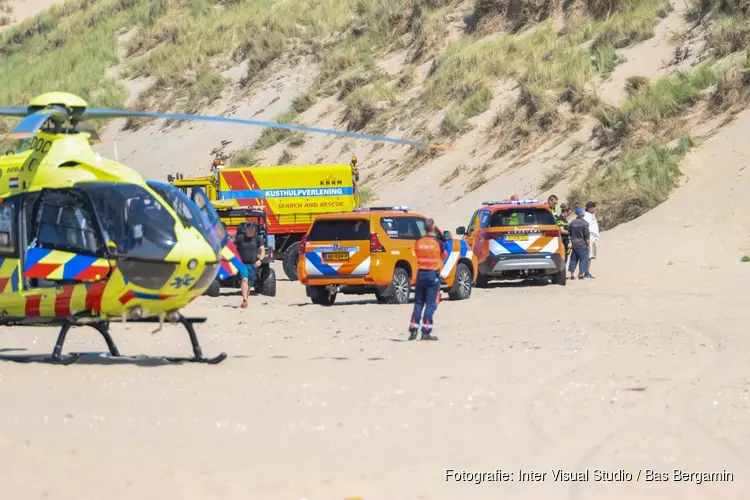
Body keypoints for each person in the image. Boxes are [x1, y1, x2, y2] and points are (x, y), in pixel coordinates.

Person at [408, 218, 447, 341]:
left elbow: (417, 254)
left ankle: (413, 330)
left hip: (421, 274)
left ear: (424, 228)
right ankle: (425, 332)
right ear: (433, 228)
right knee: (430, 304)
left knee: (418, 303)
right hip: (432, 275)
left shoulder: (418, 242)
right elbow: (444, 255)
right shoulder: (438, 243)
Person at [235, 222, 266, 308]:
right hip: (242, 263)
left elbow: (262, 250)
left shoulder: (258, 239)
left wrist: (260, 259)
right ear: (246, 229)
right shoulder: (240, 238)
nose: (252, 231)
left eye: (253, 229)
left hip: (253, 264)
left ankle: (246, 298)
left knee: (250, 283)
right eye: (250, 229)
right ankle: (244, 299)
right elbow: (233, 248)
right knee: (244, 279)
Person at [568, 207, 590, 280]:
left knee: (573, 259)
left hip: (574, 244)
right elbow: (587, 236)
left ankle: (571, 274)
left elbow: (570, 233)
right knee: (583, 259)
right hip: (582, 244)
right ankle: (581, 274)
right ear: (582, 214)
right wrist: (588, 245)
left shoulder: (572, 222)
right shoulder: (585, 223)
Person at [582, 201, 599, 279]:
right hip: (589, 238)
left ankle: (585, 272)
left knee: (590, 256)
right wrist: (586, 239)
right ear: (590, 208)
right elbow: (584, 228)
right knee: (587, 257)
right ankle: (586, 272)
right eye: (594, 207)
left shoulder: (592, 215)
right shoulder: (586, 215)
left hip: (593, 238)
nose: (595, 208)